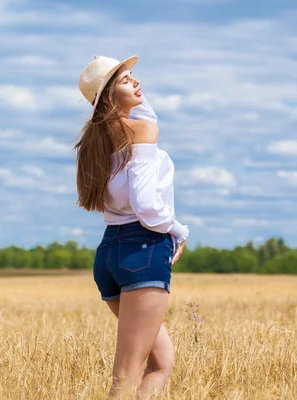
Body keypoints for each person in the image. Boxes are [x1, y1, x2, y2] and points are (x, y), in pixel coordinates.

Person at [75, 55, 190, 398]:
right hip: (143, 250)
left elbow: (143, 110)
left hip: (110, 254)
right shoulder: (142, 130)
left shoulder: (96, 143)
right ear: (110, 98)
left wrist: (116, 83)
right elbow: (145, 203)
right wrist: (178, 230)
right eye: (126, 80)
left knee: (161, 363)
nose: (138, 83)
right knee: (126, 375)